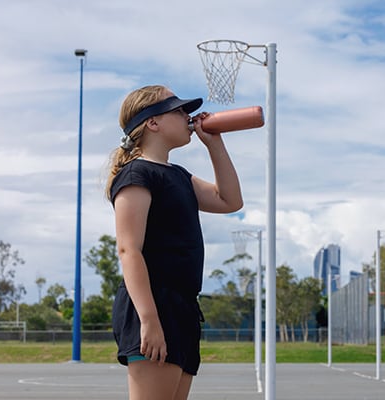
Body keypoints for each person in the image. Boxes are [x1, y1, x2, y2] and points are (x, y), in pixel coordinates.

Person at [104, 85, 243, 400]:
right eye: (178, 110)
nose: (187, 116)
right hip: (152, 306)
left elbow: (230, 200)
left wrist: (214, 144)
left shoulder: (179, 175)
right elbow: (129, 250)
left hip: (182, 308)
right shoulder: (136, 175)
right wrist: (149, 320)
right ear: (153, 122)